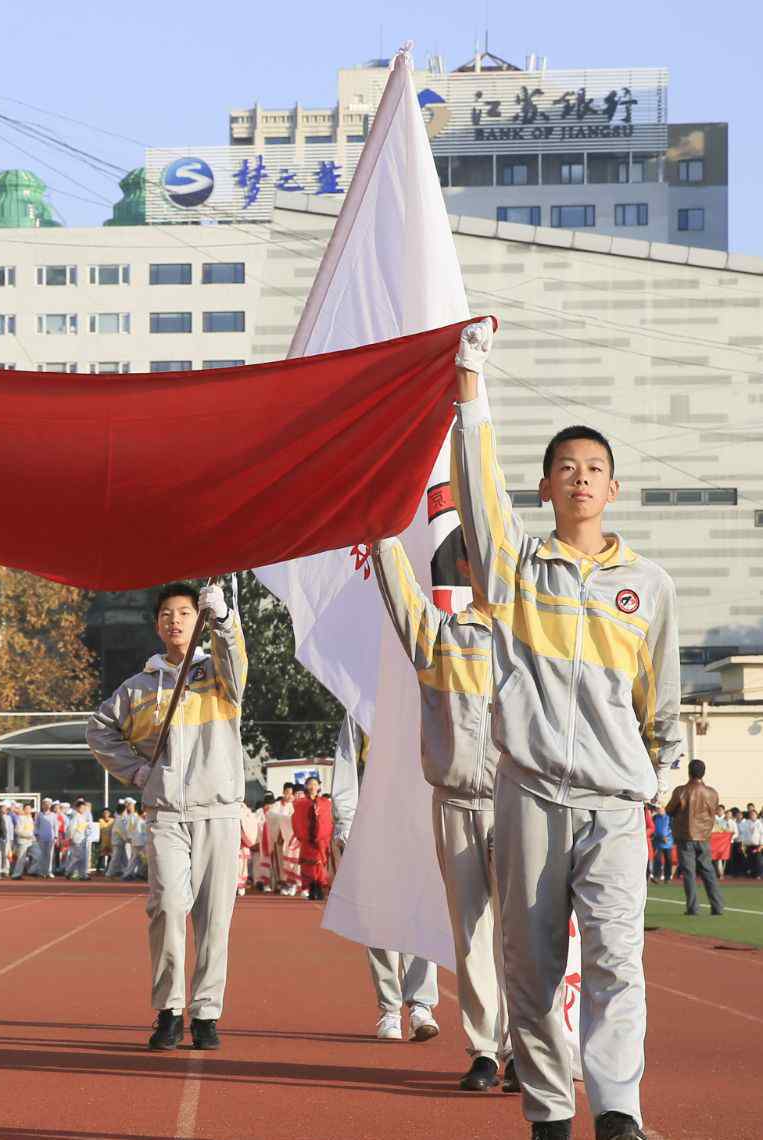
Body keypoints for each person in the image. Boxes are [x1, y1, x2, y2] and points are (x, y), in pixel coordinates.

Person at [453, 319, 683, 1140]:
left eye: (594, 470)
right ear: (545, 487)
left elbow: (660, 699)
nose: (580, 480)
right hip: (530, 796)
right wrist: (468, 388)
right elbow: (478, 502)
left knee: (620, 962)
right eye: (565, 469)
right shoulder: (517, 569)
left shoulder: (646, 586)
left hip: (614, 804)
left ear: (612, 489)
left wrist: (658, 775)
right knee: (533, 965)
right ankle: (550, 1113)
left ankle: (616, 1111)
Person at [371, 535, 515, 1092]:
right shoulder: (441, 636)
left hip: (517, 802)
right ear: (464, 567)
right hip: (456, 801)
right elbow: (403, 598)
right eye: (477, 557)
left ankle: (526, 1048)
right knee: (471, 932)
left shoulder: (531, 640)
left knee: (521, 935)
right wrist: (382, 536)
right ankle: (484, 1050)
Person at [86, 580, 247, 1052]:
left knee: (215, 918)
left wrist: (224, 621)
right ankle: (170, 1009)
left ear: (196, 620)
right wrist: (137, 772)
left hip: (218, 810)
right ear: (156, 625)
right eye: (166, 615)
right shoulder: (138, 688)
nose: (175, 621)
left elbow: (236, 662)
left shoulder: (220, 674)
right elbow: (99, 731)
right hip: (166, 814)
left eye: (184, 613)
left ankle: (207, 1013)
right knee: (167, 907)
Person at [331, 716, 442, 1045]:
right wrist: (344, 823)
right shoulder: (361, 701)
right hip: (375, 820)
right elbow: (346, 761)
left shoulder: (429, 691)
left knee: (423, 915)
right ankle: (389, 1010)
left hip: (422, 818)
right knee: (377, 919)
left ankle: (422, 1006)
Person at [665, 759, 725, 917]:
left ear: (689, 772)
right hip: (704, 836)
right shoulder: (712, 793)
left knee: (689, 873)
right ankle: (717, 906)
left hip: (685, 837)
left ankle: (693, 908)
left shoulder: (681, 791)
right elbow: (713, 812)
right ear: (703, 773)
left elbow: (669, 810)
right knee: (708, 871)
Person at [292, 776, 333, 901]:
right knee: (308, 865)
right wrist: (302, 834)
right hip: (307, 839)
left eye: (315, 784)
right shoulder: (300, 804)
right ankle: (311, 888)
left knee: (319, 865)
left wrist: (323, 834)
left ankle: (319, 888)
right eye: (310, 784)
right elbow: (296, 821)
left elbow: (328, 821)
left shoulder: (326, 803)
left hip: (320, 840)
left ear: (319, 786)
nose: (312, 786)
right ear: (306, 786)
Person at [265, 783, 300, 896]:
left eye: (291, 793)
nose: (289, 795)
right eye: (287, 792)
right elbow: (270, 816)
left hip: (291, 840)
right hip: (278, 838)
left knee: (291, 862)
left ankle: (292, 884)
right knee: (279, 861)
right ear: (283, 792)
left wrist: (285, 821)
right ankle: (280, 883)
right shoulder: (276, 805)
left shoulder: (295, 805)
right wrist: (282, 822)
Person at [11, 804, 38, 878]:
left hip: (32, 841)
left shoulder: (31, 818)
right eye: (26, 809)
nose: (28, 810)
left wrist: (34, 836)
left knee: (38, 855)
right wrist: (29, 834)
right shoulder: (21, 818)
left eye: (29, 809)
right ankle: (16, 875)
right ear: (24, 809)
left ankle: (31, 871)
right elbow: (17, 831)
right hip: (23, 841)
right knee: (21, 859)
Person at [34, 798, 58, 878]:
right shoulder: (39, 815)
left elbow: (56, 827)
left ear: (50, 805)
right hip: (41, 837)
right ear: (42, 805)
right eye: (45, 803)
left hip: (51, 837)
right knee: (41, 855)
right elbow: (36, 826)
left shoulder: (54, 815)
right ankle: (41, 872)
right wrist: (36, 834)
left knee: (50, 855)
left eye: (48, 804)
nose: (47, 805)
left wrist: (56, 837)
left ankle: (49, 871)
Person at [650, 808, 674, 883]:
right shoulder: (655, 817)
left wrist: (667, 837)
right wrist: (655, 836)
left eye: (660, 808)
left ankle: (668, 877)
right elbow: (653, 828)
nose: (659, 810)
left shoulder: (670, 818)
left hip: (668, 843)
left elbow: (673, 828)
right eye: (658, 809)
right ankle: (656, 876)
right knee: (657, 859)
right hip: (657, 842)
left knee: (668, 860)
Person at [711, 805, 735, 878]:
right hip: (716, 843)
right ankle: (717, 874)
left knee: (723, 858)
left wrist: (729, 836)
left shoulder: (731, 822)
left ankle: (722, 874)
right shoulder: (718, 821)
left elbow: (732, 832)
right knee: (715, 858)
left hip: (727, 843)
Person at [738, 808, 763, 878]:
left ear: (756, 815)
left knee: (758, 860)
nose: (752, 815)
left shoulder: (759, 823)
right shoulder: (746, 823)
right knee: (750, 860)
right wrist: (743, 844)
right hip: (748, 845)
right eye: (751, 814)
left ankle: (759, 874)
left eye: (754, 814)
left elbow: (762, 834)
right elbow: (744, 834)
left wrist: (761, 845)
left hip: (757, 845)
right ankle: (752, 874)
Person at [98, 809, 115, 874]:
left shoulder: (112, 821)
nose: (106, 814)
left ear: (109, 813)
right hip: (103, 840)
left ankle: (108, 868)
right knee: (101, 855)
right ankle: (98, 869)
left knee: (110, 855)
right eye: (104, 813)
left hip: (110, 840)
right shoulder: (100, 820)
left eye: (107, 813)